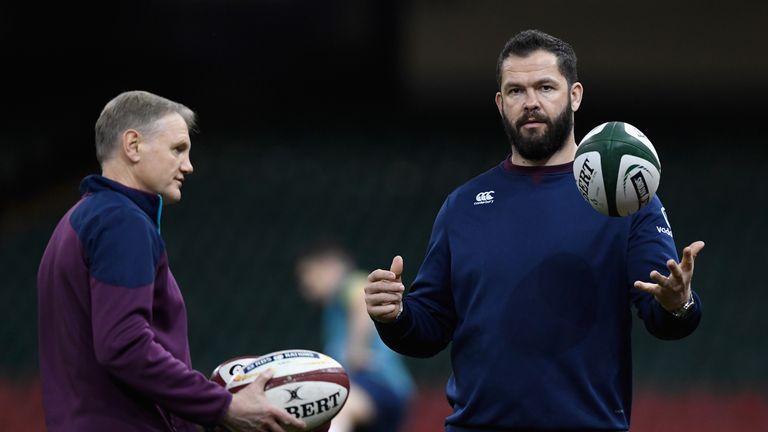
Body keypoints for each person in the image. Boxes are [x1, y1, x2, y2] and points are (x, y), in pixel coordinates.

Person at [364, 30, 704, 431]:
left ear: (574, 95)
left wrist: (677, 302)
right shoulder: (464, 205)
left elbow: (664, 313)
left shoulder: (627, 198)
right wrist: (395, 315)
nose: (531, 103)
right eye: (515, 91)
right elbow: (430, 328)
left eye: (545, 87)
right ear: (500, 103)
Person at [37, 90, 305, 432]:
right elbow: (123, 345)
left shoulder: (77, 221)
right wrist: (222, 406)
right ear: (132, 145)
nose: (189, 165)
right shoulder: (122, 221)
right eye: (178, 149)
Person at [296, 239, 414, 432]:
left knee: (338, 408)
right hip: (368, 389)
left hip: (375, 382)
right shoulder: (332, 308)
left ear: (329, 265)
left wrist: (356, 349)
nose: (305, 284)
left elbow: (361, 301)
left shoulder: (350, 283)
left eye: (308, 274)